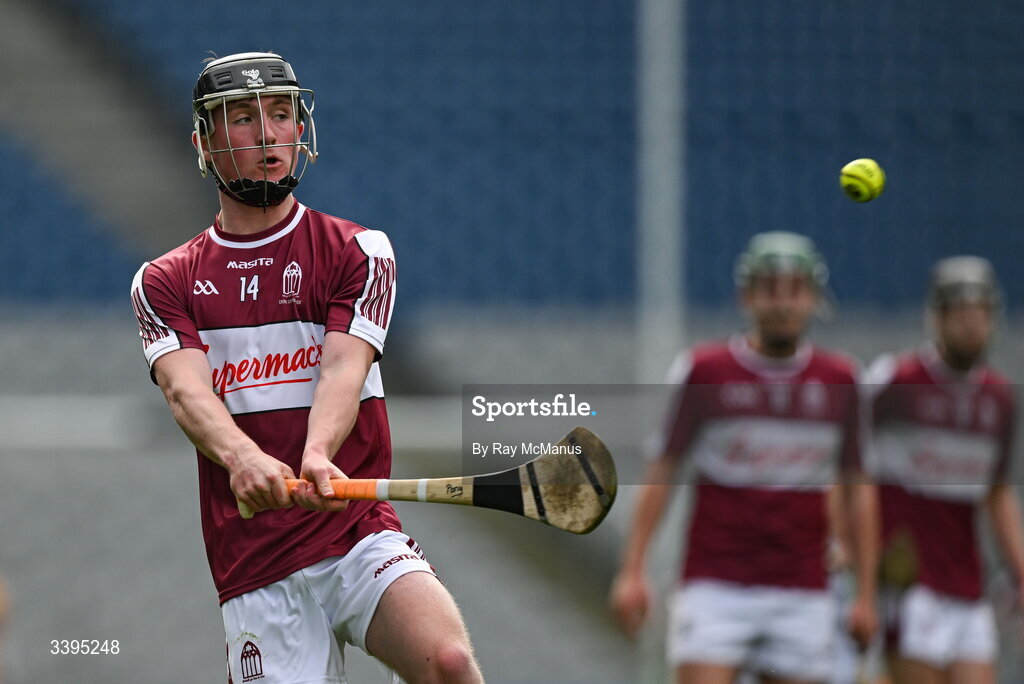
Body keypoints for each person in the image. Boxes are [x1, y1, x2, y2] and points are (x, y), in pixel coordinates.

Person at [130, 52, 482, 684]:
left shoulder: (358, 251)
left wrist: (319, 452)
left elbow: (343, 372)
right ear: (204, 142)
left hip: (352, 527)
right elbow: (187, 394)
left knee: (449, 663)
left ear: (301, 128)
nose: (268, 133)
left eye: (282, 113)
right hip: (257, 557)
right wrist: (243, 460)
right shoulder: (165, 280)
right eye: (242, 118)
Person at [610, 232, 878, 684]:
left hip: (804, 588)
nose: (782, 303)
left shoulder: (842, 379)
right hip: (715, 584)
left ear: (813, 298)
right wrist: (633, 569)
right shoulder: (704, 371)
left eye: (794, 290)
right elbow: (661, 473)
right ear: (746, 296)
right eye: (769, 289)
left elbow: (859, 491)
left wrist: (866, 594)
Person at [865, 256, 1023, 684]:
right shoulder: (896, 381)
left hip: (967, 583)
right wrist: (851, 551)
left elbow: (996, 490)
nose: (972, 324)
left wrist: (1020, 569)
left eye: (981, 312)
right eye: (960, 313)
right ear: (935, 317)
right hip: (909, 582)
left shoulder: (999, 399)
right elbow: (845, 467)